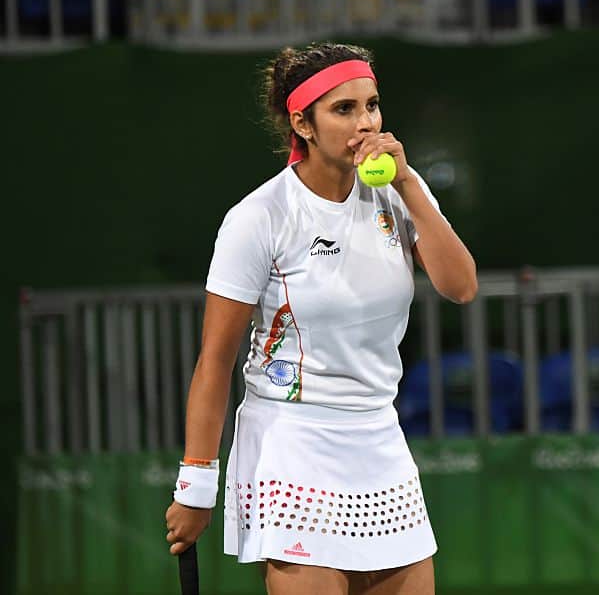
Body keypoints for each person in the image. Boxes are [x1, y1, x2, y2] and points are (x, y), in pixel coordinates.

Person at [163, 42, 477, 594]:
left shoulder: (400, 193)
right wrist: (195, 485)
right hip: (292, 446)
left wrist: (408, 184)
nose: (366, 123)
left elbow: (461, 286)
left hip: (380, 438)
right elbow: (214, 361)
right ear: (302, 124)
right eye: (344, 109)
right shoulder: (259, 217)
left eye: (372, 105)